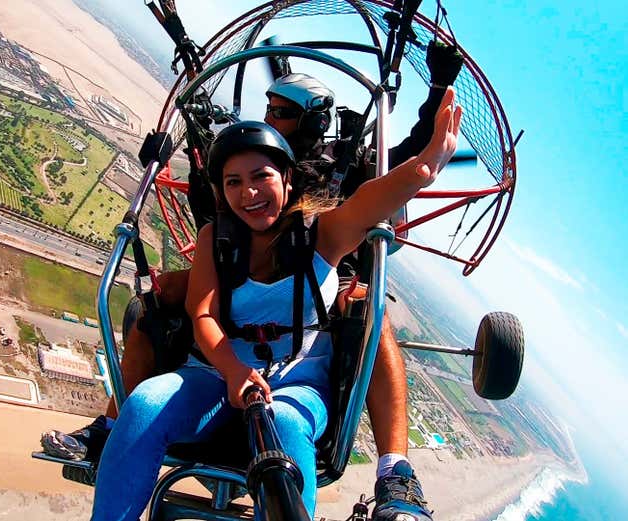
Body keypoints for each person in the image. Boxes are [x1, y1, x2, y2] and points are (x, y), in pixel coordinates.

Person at [42, 41, 463, 520]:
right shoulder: (216, 239)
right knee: (144, 404)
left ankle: (395, 470)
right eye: (233, 183)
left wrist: (429, 162)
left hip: (297, 384)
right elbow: (202, 314)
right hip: (217, 374)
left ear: (287, 179)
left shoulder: (322, 235)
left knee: (283, 423)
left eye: (260, 177)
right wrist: (233, 370)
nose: (249, 193)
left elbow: (372, 200)